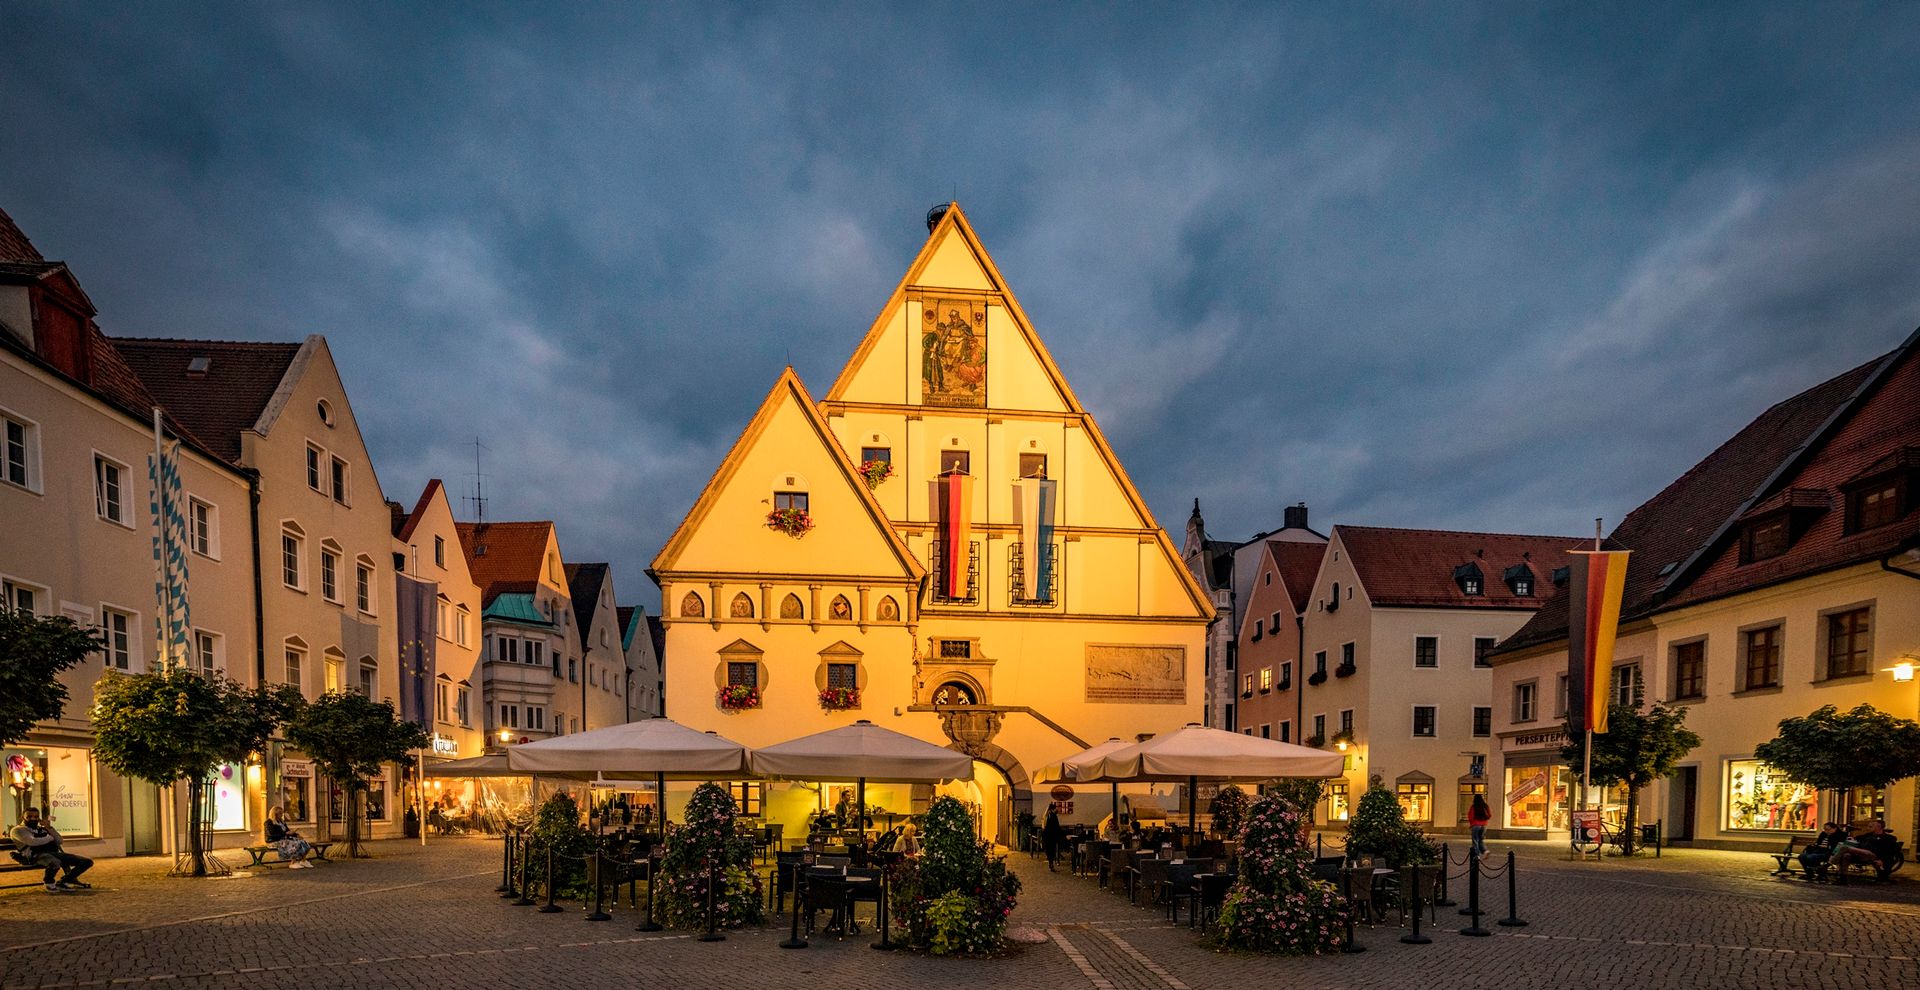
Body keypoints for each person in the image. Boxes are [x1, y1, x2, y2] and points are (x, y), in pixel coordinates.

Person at [10, 807, 92, 892]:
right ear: (23, 817)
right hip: (34, 856)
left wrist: (48, 827)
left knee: (86, 862)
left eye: (36, 817)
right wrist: (49, 838)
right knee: (55, 862)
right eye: (29, 817)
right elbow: (32, 841)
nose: (33, 819)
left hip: (52, 853)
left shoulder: (42, 829)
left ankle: (64, 881)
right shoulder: (18, 830)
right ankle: (49, 883)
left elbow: (59, 840)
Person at [1830, 819, 1901, 882]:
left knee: (1845, 848)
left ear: (1878, 827)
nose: (1868, 828)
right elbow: (1857, 838)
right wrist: (1852, 839)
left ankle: (1831, 861)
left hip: (1873, 855)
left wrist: (1882, 860)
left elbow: (1890, 851)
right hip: (1861, 853)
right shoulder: (1868, 835)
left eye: (1871, 826)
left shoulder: (1888, 838)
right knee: (1846, 855)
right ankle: (1843, 878)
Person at [1042, 806, 1066, 871]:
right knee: (1052, 851)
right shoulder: (1053, 816)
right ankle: (1051, 866)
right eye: (1056, 808)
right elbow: (1056, 827)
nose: (1057, 809)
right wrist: (1064, 835)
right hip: (1052, 837)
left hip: (1047, 836)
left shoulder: (1047, 816)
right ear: (1053, 809)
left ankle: (1051, 865)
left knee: (1049, 851)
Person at [1468, 794, 1492, 859]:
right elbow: (1489, 815)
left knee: (1475, 840)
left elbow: (1471, 817)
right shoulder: (1485, 806)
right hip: (1484, 825)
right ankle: (1485, 851)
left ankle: (1477, 855)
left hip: (1476, 825)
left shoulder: (1474, 807)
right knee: (1481, 840)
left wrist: (1471, 824)